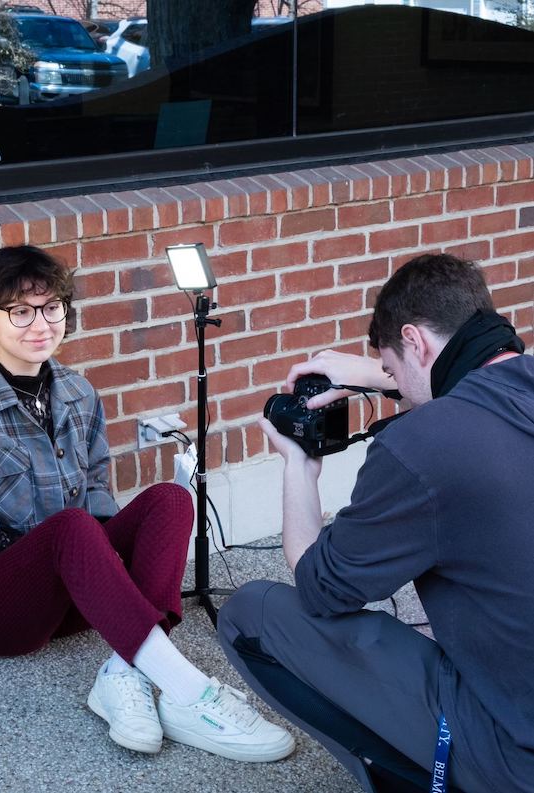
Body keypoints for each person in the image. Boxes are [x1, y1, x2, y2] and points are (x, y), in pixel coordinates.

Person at [0, 245, 295, 762]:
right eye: (20, 311)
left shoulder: (77, 393)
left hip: (76, 598)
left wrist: (91, 559)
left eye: (52, 307)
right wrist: (46, 549)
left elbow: (96, 492)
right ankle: (190, 692)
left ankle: (124, 672)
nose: (40, 324)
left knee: (171, 500)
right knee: (70, 528)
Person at [218, 253, 534, 792]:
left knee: (252, 614)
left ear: (414, 340)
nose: (394, 383)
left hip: (516, 756)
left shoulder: (423, 445)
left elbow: (320, 586)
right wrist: (379, 373)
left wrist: (299, 468)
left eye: (391, 366)